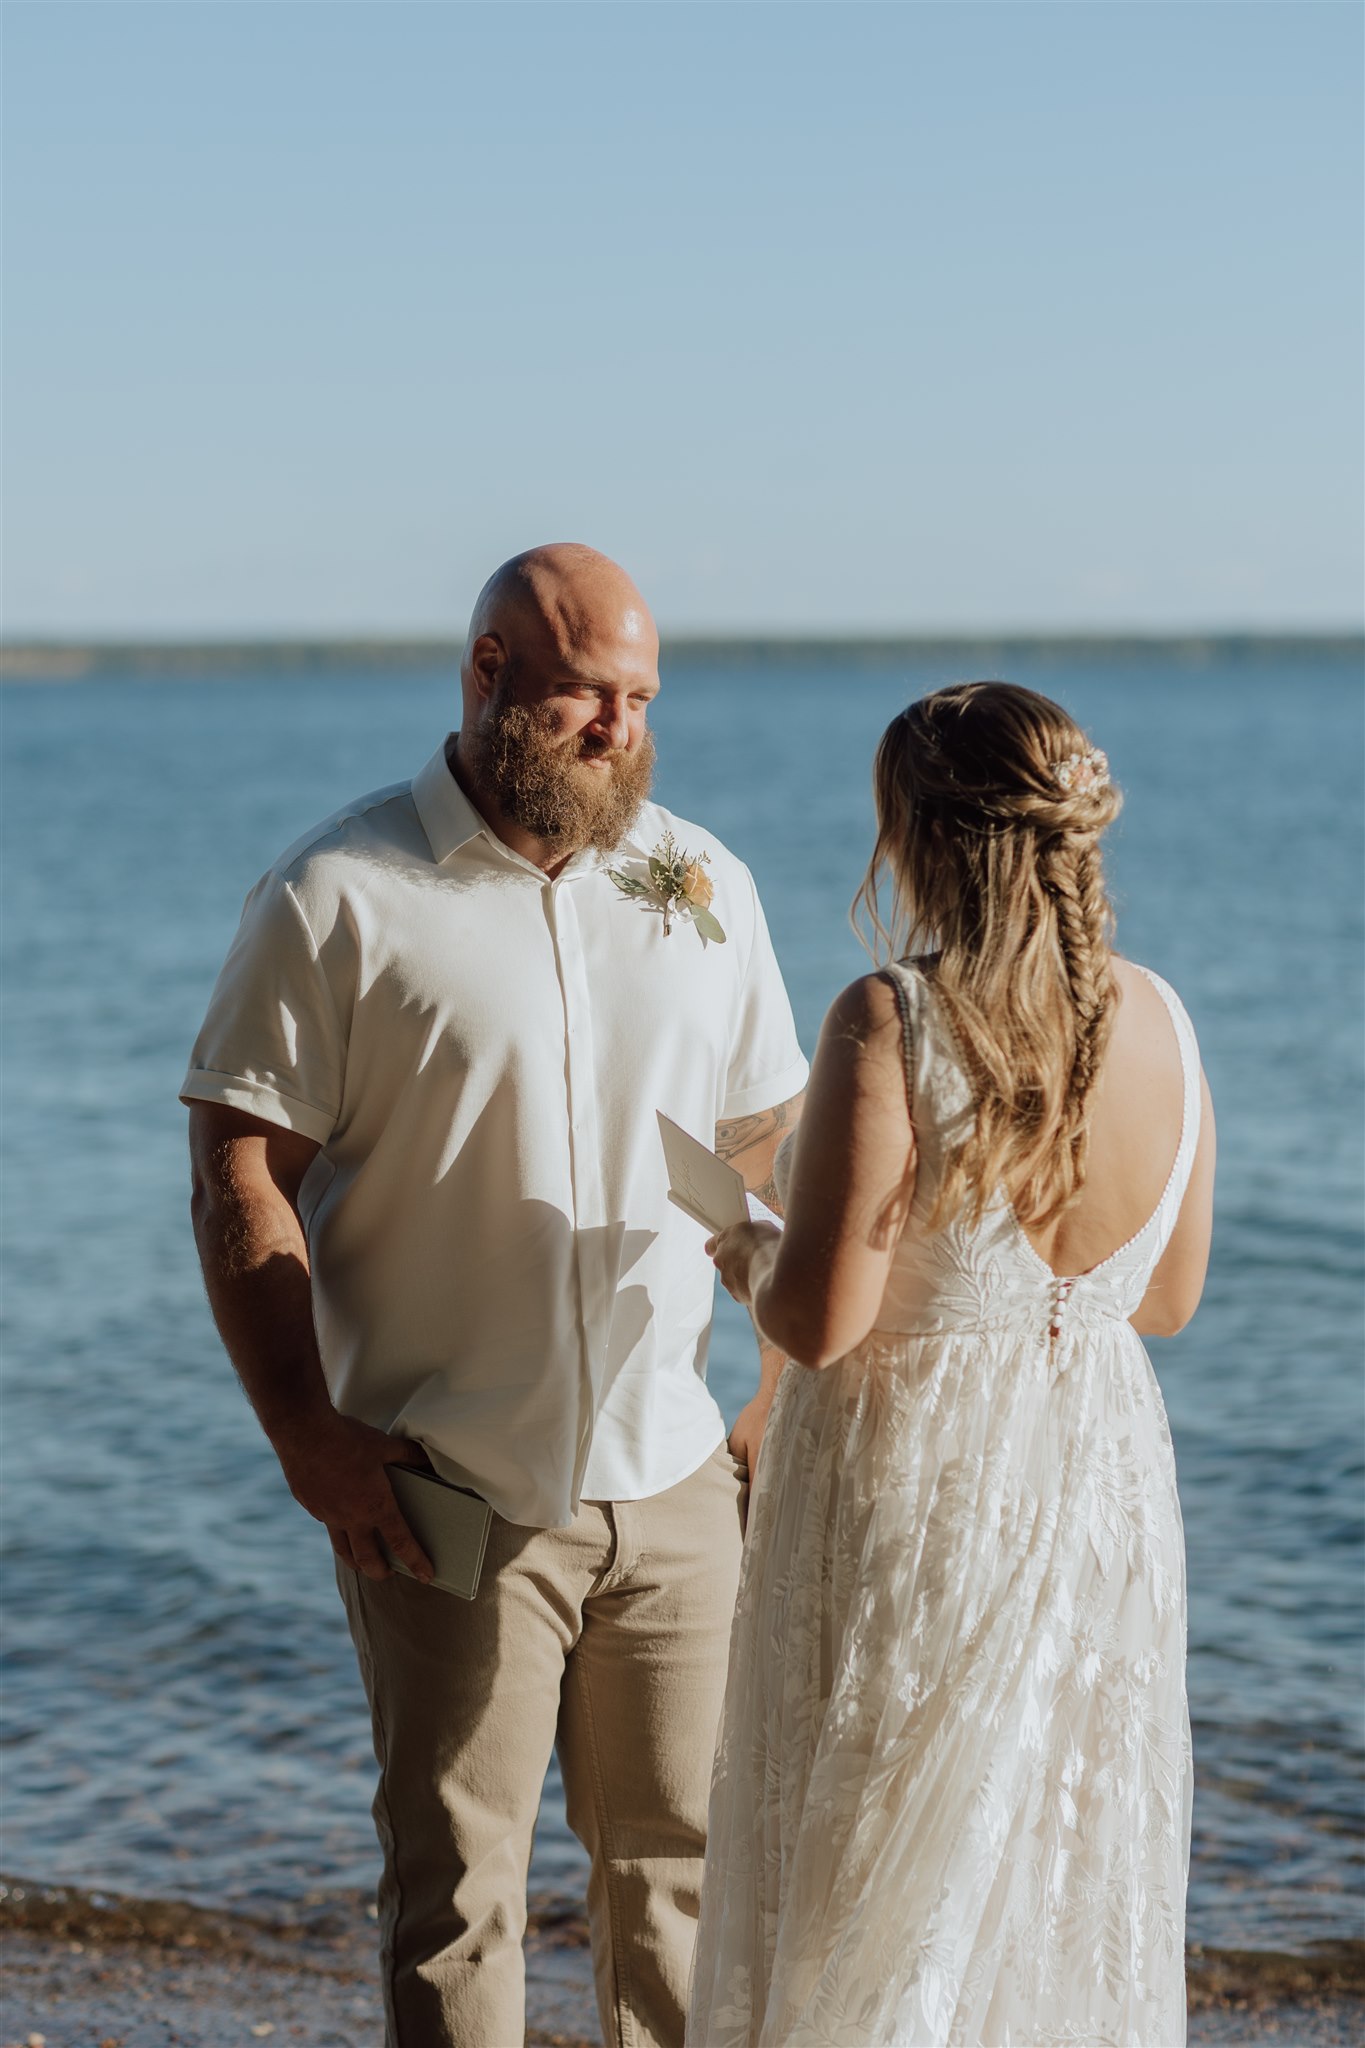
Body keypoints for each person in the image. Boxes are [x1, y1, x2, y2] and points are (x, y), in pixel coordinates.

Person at [182, 544, 808, 2048]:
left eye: (641, 698)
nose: (621, 729)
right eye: (589, 694)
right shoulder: (336, 895)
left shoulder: (704, 882)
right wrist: (306, 1441)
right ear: (489, 676)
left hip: (673, 1485)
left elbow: (755, 1148)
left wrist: (771, 1402)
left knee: (682, 1881)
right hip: (445, 1486)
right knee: (456, 1893)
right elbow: (236, 1171)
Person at [688, 682, 1215, 2048]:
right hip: (1098, 1488)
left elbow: (816, 1326)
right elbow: (1164, 1302)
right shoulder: (1162, 1018)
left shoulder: (893, 1017)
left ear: (919, 837)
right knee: (1045, 1852)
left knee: (877, 1870)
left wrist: (730, 1236)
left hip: (919, 1493)